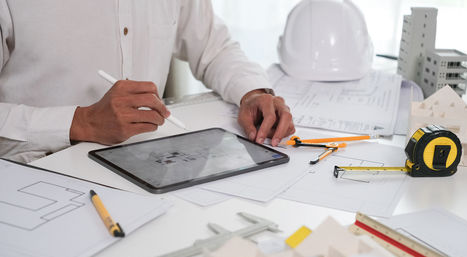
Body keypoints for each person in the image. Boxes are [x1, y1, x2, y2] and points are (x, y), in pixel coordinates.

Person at [0, 0, 295, 163]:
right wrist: (82, 123)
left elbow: (213, 47)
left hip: (147, 168)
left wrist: (253, 92)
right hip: (35, 174)